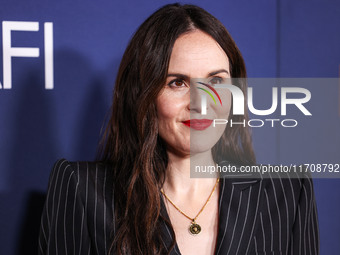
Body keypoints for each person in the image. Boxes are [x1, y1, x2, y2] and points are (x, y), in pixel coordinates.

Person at [38, 3, 319, 255]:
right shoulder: (83, 191)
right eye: (177, 83)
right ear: (142, 94)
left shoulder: (289, 195)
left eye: (216, 81)